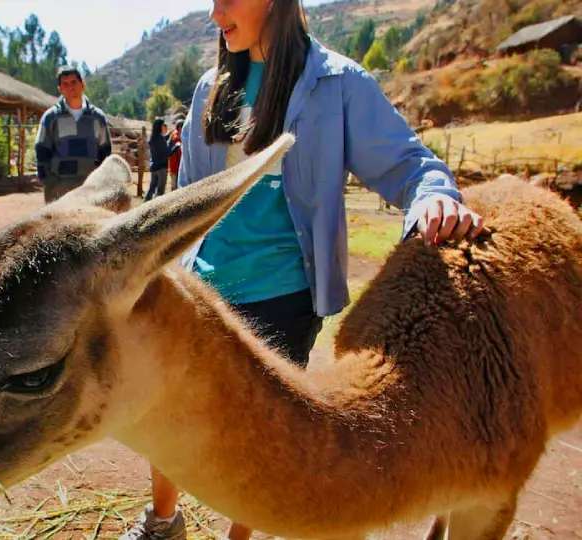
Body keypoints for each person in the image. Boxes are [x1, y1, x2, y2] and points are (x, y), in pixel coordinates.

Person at [121, 0, 485, 539]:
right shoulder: (210, 88)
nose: (215, 13)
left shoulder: (337, 85)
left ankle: (239, 536)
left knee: (260, 436)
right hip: (203, 287)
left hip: (282, 297)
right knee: (164, 411)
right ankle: (164, 521)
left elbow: (410, 163)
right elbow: (190, 198)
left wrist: (433, 197)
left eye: (227, 0)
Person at [34, 65, 113, 203]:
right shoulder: (51, 117)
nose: (71, 87)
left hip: (91, 188)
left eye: (74, 82)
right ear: (60, 89)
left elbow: (105, 151)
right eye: (66, 84)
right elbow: (42, 150)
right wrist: (50, 182)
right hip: (59, 189)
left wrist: (101, 181)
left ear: (82, 84)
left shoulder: (97, 117)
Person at [143, 118, 178, 201]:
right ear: (160, 127)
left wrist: (169, 135)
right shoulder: (160, 139)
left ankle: (145, 205)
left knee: (151, 189)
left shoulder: (152, 138)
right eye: (163, 125)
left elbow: (162, 142)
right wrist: (174, 144)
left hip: (154, 166)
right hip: (162, 167)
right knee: (160, 190)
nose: (164, 127)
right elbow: (167, 152)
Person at [167, 119, 184, 191]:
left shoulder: (185, 135)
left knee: (180, 185)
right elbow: (169, 149)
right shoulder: (174, 136)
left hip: (181, 164)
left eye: (182, 127)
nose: (181, 128)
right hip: (174, 164)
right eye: (180, 127)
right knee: (174, 185)